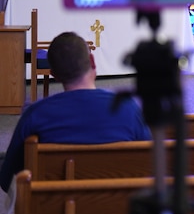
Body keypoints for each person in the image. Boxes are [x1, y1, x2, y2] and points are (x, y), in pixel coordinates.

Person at [0, 32, 151, 194]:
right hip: (118, 212)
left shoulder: (35, 115)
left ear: (54, 75)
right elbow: (148, 162)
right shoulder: (127, 107)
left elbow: (7, 179)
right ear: (92, 61)